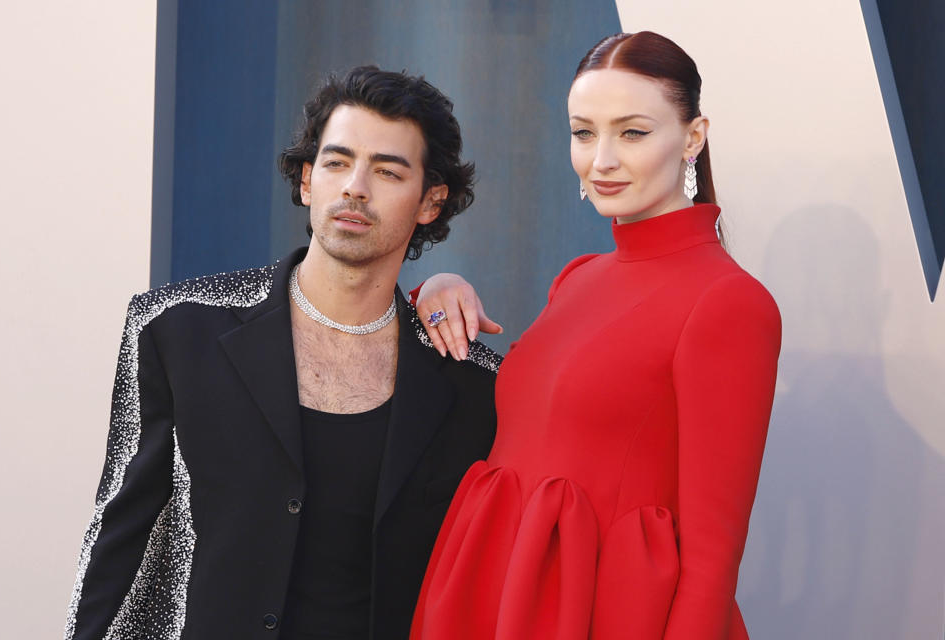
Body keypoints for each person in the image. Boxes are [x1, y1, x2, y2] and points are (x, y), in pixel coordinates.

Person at [64, 66, 500, 640]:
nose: (355, 188)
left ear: (430, 201)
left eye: (388, 171)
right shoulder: (180, 332)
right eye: (337, 162)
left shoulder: (470, 383)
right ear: (305, 179)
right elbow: (119, 535)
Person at [410, 32, 782, 639]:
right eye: (584, 132)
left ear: (693, 137)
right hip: (491, 595)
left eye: (632, 132)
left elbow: (714, 557)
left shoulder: (730, 303)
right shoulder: (577, 279)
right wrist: (433, 289)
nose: (601, 159)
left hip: (604, 613)